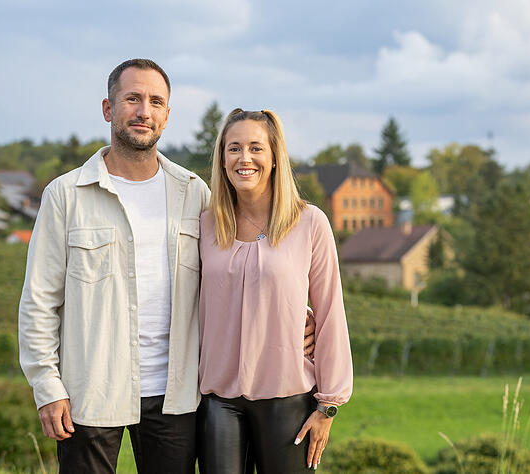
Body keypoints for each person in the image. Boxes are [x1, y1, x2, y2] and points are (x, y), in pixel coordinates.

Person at [18, 59, 314, 474]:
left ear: (167, 115)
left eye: (156, 101)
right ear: (108, 108)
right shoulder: (66, 195)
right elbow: (39, 302)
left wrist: (295, 317)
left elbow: (240, 268)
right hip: (89, 390)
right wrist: (47, 387)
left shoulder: (195, 195)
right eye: (132, 99)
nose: (144, 111)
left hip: (176, 396)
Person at [197, 109, 353, 473]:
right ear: (222, 159)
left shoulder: (309, 222)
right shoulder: (205, 224)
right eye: (234, 148)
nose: (244, 158)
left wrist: (328, 405)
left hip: (288, 399)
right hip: (218, 400)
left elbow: (330, 311)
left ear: (273, 157)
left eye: (256, 148)